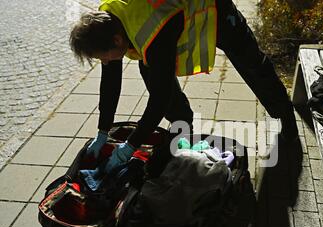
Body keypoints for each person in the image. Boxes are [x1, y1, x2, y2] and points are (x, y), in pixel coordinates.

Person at [70, 0, 299, 173]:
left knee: (252, 65)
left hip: (216, 11)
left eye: (104, 56)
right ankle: (182, 125)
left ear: (117, 41)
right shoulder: (110, 21)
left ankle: (285, 115)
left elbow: (158, 99)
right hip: (174, 16)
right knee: (149, 69)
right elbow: (110, 83)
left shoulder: (151, 31)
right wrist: (102, 131)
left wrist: (131, 145)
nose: (106, 62)